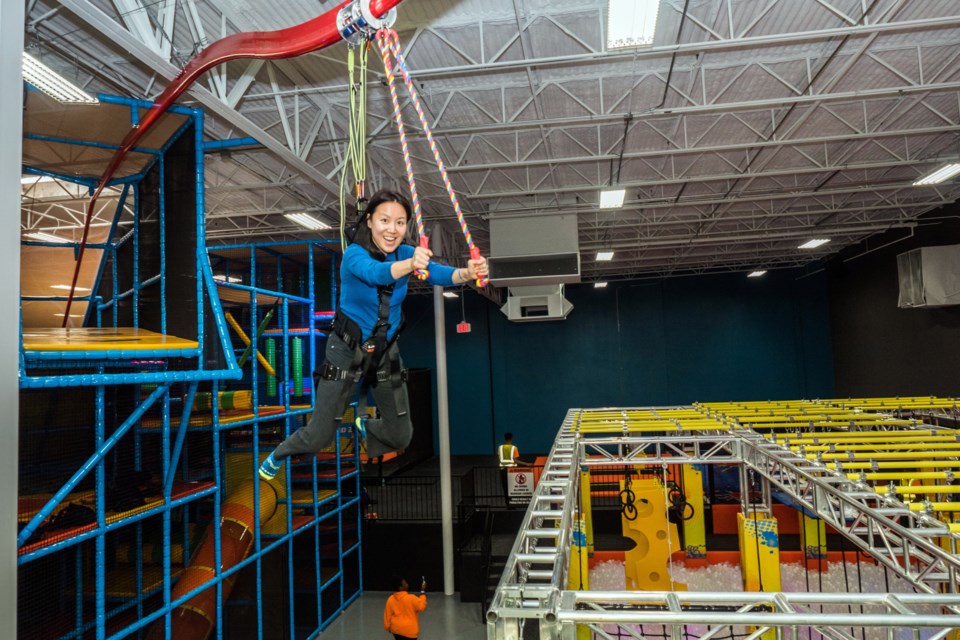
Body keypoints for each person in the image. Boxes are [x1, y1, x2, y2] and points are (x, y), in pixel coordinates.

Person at [259, 189, 488, 481]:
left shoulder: (406, 253)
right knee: (318, 437)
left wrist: (467, 273)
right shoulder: (354, 256)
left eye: (400, 223)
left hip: (384, 351)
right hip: (345, 350)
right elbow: (377, 274)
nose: (392, 230)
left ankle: (363, 427)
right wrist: (410, 265)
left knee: (401, 436)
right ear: (369, 221)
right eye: (384, 220)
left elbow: (439, 274)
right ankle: (279, 453)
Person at [383, 575, 427, 640]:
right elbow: (421, 606)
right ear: (400, 587)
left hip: (396, 630)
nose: (407, 584)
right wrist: (422, 591)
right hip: (410, 631)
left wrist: (388, 627)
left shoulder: (390, 599)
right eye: (405, 583)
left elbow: (387, 615)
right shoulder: (411, 598)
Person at [497, 432, 532, 508]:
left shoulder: (500, 448)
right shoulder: (514, 448)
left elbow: (500, 458)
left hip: (503, 470)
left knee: (505, 487)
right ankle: (513, 503)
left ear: (505, 438)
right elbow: (515, 460)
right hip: (512, 471)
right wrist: (526, 464)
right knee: (512, 488)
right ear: (511, 439)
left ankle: (508, 504)